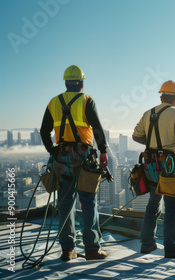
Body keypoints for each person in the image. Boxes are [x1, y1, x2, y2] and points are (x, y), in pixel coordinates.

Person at [40, 65, 109, 261]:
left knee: (65, 203)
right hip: (84, 156)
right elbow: (96, 128)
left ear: (65, 82)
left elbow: (44, 131)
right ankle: (92, 249)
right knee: (88, 201)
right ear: (81, 82)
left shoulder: (53, 102)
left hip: (62, 157)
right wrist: (103, 151)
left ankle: (67, 250)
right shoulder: (86, 100)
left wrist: (52, 150)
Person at [132, 80, 175, 258]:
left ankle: (147, 245)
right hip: (169, 165)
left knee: (153, 203)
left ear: (161, 96)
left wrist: (152, 143)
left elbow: (136, 136)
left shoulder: (148, 113)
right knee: (172, 206)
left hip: (150, 164)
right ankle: (172, 249)